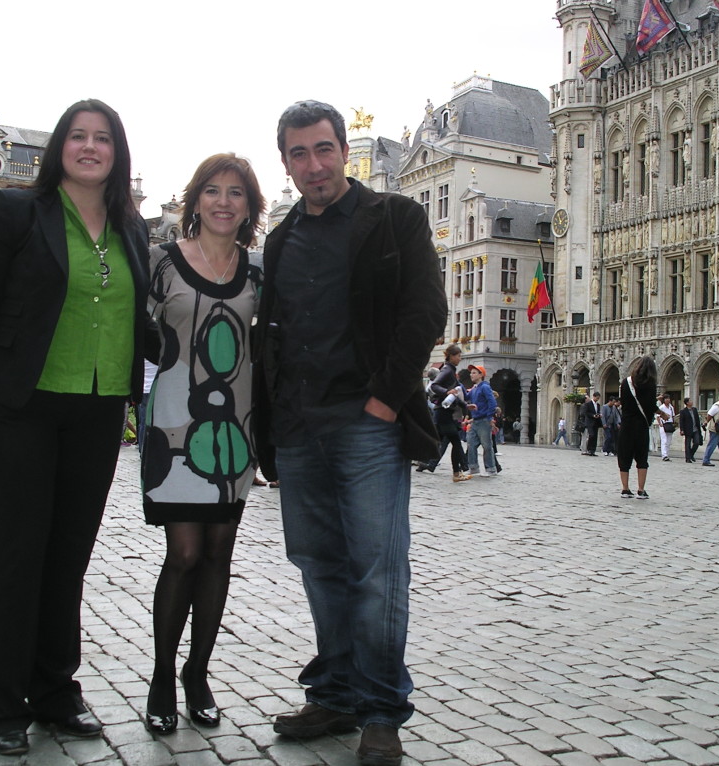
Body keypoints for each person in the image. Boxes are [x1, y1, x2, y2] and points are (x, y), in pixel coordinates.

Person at [0, 99, 149, 756]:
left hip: (96, 412)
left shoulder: (132, 227)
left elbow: (142, 323)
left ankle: (56, 691)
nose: (90, 147)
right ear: (60, 146)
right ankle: (2, 705)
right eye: (78, 136)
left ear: (118, 153)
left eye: (103, 139)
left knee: (68, 560)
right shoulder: (14, 212)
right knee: (15, 559)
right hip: (23, 406)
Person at [252, 101, 446, 766]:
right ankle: (334, 692)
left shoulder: (393, 219)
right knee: (319, 567)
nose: (314, 164)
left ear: (343, 152)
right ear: (286, 162)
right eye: (299, 154)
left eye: (324, 149)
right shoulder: (280, 241)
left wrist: (385, 404)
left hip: (365, 423)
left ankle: (383, 709)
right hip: (300, 428)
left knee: (376, 572)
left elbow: (425, 311)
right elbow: (270, 337)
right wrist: (270, 427)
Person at [141, 154, 265, 735]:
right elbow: (134, 333)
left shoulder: (259, 273)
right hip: (173, 426)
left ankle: (198, 673)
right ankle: (163, 674)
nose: (223, 201)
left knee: (218, 555)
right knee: (185, 553)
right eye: (212, 191)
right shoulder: (161, 262)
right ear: (195, 201)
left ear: (249, 206)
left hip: (234, 434)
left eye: (235, 193)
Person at [423, 345, 470, 482]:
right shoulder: (447, 370)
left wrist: (466, 406)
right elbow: (434, 385)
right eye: (458, 356)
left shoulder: (451, 370)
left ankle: (454, 471)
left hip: (444, 412)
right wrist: (446, 391)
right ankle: (457, 473)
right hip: (443, 412)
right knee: (455, 441)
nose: (460, 358)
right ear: (450, 356)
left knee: (438, 441)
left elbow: (455, 394)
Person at [616, 356, 659, 498]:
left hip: (626, 424)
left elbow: (623, 403)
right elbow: (651, 406)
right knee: (641, 458)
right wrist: (662, 413)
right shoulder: (650, 384)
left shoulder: (625, 383)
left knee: (624, 457)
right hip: (641, 425)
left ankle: (625, 489)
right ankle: (641, 489)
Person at [466, 365, 498, 477]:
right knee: (470, 444)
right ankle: (473, 467)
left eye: (474, 372)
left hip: (484, 420)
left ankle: (491, 469)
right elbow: (465, 396)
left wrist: (489, 417)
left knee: (487, 445)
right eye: (471, 372)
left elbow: (492, 403)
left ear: (481, 375)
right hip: (475, 421)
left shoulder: (484, 387)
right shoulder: (474, 388)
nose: (471, 374)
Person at [679, 397, 702, 463]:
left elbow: (697, 419)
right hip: (688, 429)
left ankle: (691, 454)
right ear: (687, 403)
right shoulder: (683, 411)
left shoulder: (694, 410)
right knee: (687, 444)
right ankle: (688, 458)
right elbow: (681, 421)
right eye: (690, 401)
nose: (692, 402)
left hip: (695, 429)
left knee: (697, 442)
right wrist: (682, 429)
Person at [580, 391, 603, 456]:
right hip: (590, 422)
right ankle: (589, 449)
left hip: (596, 422)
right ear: (594, 396)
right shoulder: (588, 404)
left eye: (598, 398)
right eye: (597, 398)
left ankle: (593, 450)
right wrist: (593, 415)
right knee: (591, 435)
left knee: (595, 436)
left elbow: (597, 411)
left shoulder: (598, 405)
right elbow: (586, 413)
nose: (597, 399)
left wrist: (599, 415)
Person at [656, 394, 675, 461]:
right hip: (663, 424)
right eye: (666, 398)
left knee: (669, 441)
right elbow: (658, 416)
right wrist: (660, 424)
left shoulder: (671, 407)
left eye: (668, 398)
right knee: (664, 440)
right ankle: (664, 455)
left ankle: (667, 453)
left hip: (669, 424)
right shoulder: (662, 407)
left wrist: (673, 423)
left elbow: (673, 416)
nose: (668, 400)